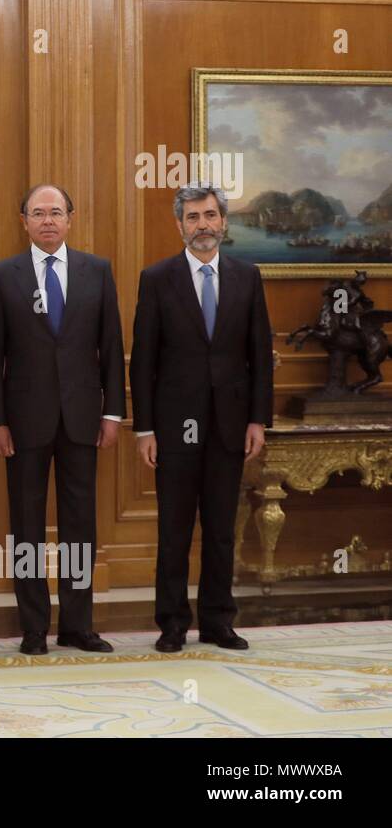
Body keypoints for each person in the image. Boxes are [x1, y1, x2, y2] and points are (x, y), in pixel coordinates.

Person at [0, 184, 126, 655]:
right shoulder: (2, 277)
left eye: (56, 212)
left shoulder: (97, 271)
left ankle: (78, 624)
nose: (47, 221)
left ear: (71, 218)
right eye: (38, 213)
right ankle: (33, 627)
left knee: (80, 525)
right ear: (23, 220)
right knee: (26, 525)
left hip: (83, 418)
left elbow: (111, 349)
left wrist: (112, 413)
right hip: (22, 424)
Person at [131, 183, 272, 653]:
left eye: (210, 216)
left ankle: (218, 621)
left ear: (224, 222)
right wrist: (145, 429)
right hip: (173, 428)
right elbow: (143, 361)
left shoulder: (247, 277)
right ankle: (172, 624)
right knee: (173, 530)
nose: (203, 226)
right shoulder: (156, 279)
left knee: (220, 529)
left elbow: (258, 353)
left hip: (230, 426)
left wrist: (258, 420)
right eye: (193, 218)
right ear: (179, 226)